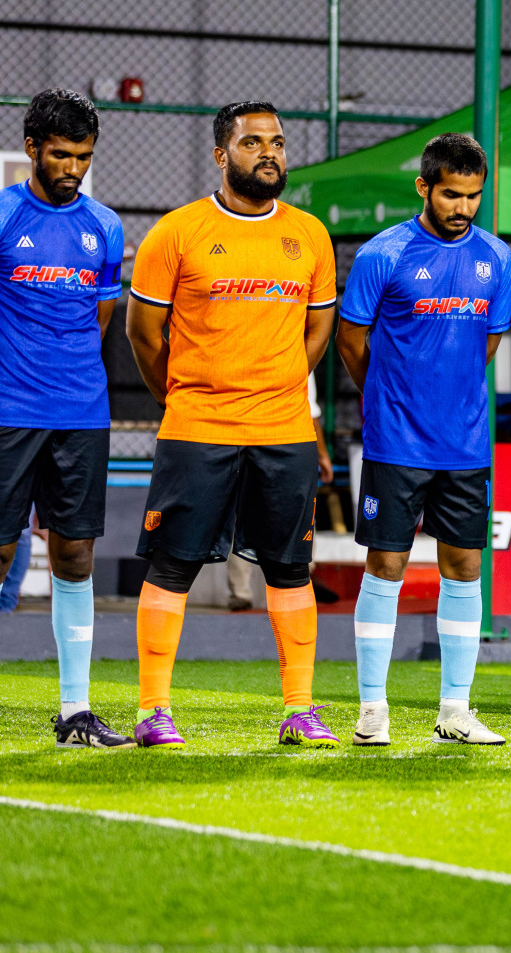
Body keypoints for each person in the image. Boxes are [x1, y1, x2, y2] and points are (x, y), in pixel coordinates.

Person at [125, 100, 338, 749]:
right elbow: (143, 333)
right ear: (222, 155)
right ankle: (153, 711)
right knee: (172, 566)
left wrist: (274, 382)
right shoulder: (177, 232)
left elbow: (320, 326)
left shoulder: (310, 234)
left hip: (284, 430)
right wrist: (185, 392)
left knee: (290, 569)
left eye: (276, 142)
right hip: (197, 425)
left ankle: (299, 712)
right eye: (252, 143)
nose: (268, 152)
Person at [338, 133, 511, 746]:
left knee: (465, 569)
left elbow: (488, 345)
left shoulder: (496, 257)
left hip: (464, 445)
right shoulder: (381, 256)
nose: (462, 207)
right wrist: (386, 391)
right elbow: (351, 341)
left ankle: (455, 712)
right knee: (385, 567)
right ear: (424, 187)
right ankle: (371, 710)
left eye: (472, 196)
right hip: (395, 443)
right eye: (451, 195)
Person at [0, 88, 131, 748]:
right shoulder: (2, 216)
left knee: (74, 552)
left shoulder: (105, 226)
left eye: (82, 156)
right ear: (30, 149)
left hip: (81, 411)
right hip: (8, 413)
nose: (72, 168)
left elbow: (99, 320)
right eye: (60, 155)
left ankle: (75, 712)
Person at [227, 375, 337, 609]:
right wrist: (323, 455)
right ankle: (300, 578)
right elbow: (310, 408)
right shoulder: (297, 347)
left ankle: (241, 591)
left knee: (245, 510)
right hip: (285, 438)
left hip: (246, 434)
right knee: (298, 508)